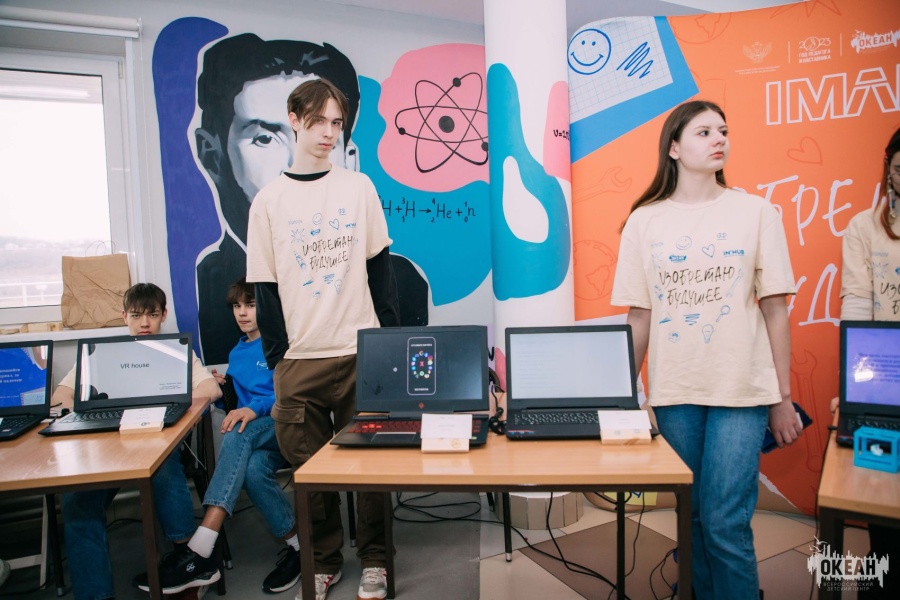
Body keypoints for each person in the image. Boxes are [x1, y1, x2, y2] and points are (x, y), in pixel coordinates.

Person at [610, 100, 803, 599]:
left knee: (724, 521)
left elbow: (775, 309)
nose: (719, 139)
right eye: (704, 132)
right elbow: (639, 318)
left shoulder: (756, 212)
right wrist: (621, 400)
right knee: (690, 514)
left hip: (742, 388)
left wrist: (782, 397)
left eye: (723, 130)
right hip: (675, 390)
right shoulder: (644, 222)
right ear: (674, 148)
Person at [246, 78, 400, 600]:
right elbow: (265, 290)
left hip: (362, 353)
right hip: (301, 361)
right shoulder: (268, 202)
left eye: (337, 123)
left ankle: (376, 560)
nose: (329, 133)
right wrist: (280, 362)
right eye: (318, 121)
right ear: (294, 119)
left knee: (372, 470)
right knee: (311, 478)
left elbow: (381, 273)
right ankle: (324, 561)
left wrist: (389, 347)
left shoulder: (359, 188)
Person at [194, 34, 361, 365]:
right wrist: (281, 365)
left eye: (326, 135)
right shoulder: (207, 284)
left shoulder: (403, 281)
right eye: (265, 139)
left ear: (349, 157)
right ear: (212, 155)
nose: (296, 161)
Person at [55, 283, 222, 600]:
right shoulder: (102, 353)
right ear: (124, 317)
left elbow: (210, 390)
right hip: (103, 451)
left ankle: (187, 560)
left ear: (163, 315)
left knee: (162, 468)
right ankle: (96, 595)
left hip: (155, 443)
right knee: (76, 502)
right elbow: (62, 395)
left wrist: (160, 401)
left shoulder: (176, 351)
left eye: (152, 315)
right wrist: (91, 410)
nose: (144, 323)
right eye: (136, 315)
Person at [139, 279, 300, 595]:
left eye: (250, 305)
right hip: (257, 435)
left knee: (239, 431)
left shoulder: (280, 343)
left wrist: (253, 409)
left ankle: (202, 544)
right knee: (253, 471)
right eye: (237, 306)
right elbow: (238, 404)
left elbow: (288, 394)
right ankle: (299, 547)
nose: (242, 313)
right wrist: (226, 389)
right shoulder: (236, 353)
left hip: (283, 424)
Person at [838, 126, 900, 599]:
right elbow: (858, 309)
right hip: (884, 382)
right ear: (889, 169)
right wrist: (853, 388)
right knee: (880, 496)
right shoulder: (865, 227)